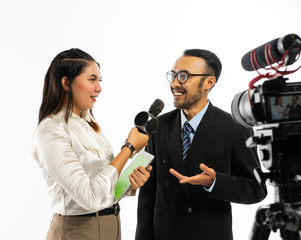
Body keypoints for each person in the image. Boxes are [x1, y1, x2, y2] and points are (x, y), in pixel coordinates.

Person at [135, 49, 267, 240]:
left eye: (183, 76)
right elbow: (147, 195)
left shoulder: (234, 127)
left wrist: (215, 182)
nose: (174, 83)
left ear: (209, 82)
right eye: (172, 75)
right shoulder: (159, 126)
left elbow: (256, 189)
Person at [32, 48, 151, 240]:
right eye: (91, 79)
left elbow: (103, 186)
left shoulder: (89, 125)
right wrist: (128, 148)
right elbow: (89, 198)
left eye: (99, 80)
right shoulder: (50, 130)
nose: (99, 88)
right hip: (77, 230)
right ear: (65, 82)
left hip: (111, 225)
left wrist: (130, 183)